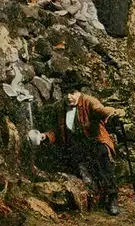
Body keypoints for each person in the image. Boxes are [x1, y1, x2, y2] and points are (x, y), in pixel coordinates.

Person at [38, 71, 125, 215]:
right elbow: (57, 132)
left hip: (95, 141)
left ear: (79, 92)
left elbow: (102, 110)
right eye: (66, 93)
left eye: (72, 92)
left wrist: (113, 114)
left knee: (101, 155)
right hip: (75, 145)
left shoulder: (89, 102)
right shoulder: (60, 107)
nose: (69, 97)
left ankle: (112, 196)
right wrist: (45, 136)